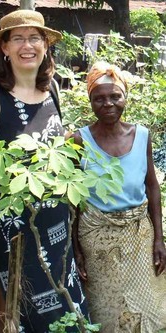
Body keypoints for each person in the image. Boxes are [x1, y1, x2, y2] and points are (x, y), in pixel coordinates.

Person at [0, 9, 89, 333]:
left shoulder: (51, 89)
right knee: (10, 314)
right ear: (4, 48)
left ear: (45, 45)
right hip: (9, 230)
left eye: (34, 38)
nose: (26, 46)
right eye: (18, 39)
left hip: (53, 227)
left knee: (60, 308)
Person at [71, 61, 166, 332]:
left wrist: (159, 238)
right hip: (97, 237)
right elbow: (75, 198)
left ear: (125, 98)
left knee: (146, 303)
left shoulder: (142, 135)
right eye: (99, 98)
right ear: (90, 102)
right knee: (106, 309)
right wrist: (76, 246)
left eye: (115, 96)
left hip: (139, 234)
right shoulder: (79, 140)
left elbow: (152, 186)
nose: (108, 104)